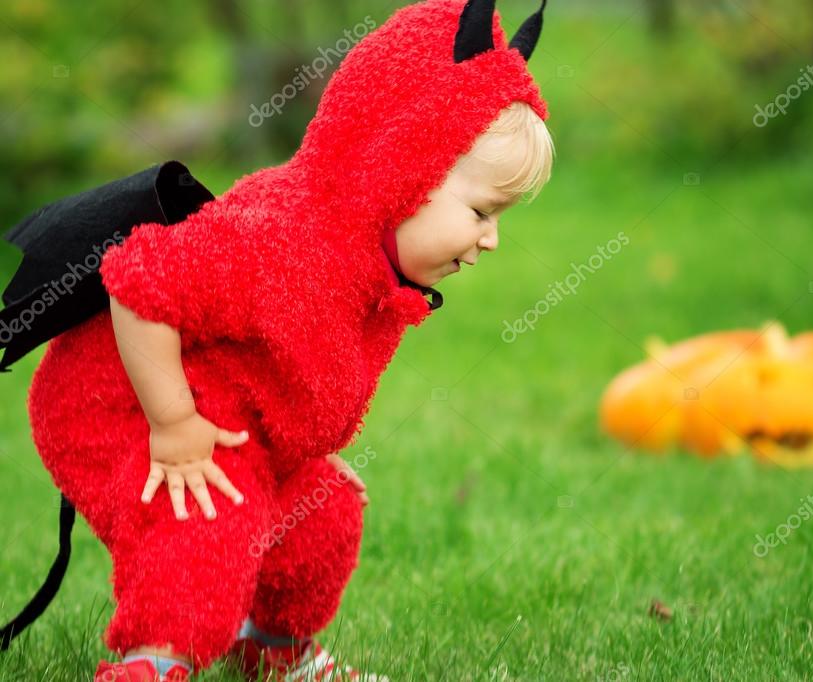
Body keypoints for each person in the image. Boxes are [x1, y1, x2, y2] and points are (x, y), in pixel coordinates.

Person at [22, 1, 554, 680]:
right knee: (213, 516)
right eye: (481, 211)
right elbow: (139, 282)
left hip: (227, 412)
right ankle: (154, 661)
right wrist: (173, 421)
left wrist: (297, 454)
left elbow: (283, 369)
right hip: (118, 400)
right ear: (402, 166)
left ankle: (271, 648)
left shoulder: (370, 267)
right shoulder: (283, 245)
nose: (490, 238)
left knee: (323, 513)